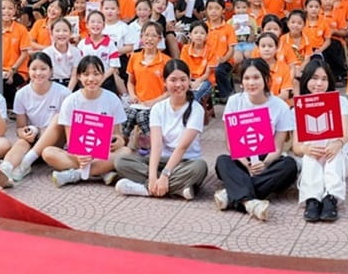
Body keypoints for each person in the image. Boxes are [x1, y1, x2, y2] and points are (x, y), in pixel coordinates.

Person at [214, 58, 299, 222]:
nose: (251, 83)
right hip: (241, 158)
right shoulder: (235, 101)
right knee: (222, 161)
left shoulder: (279, 106)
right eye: (246, 78)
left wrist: (265, 163)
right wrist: (246, 163)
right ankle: (250, 203)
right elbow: (231, 143)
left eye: (256, 77)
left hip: (266, 160)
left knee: (289, 166)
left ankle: (233, 194)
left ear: (266, 79)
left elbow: (277, 147)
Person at [113, 58, 209, 200]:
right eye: (173, 80)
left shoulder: (196, 109)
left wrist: (165, 175)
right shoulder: (158, 108)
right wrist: (152, 176)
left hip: (185, 162)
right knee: (121, 162)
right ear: (165, 82)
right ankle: (176, 188)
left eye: (183, 80)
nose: (178, 85)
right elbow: (156, 145)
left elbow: (182, 148)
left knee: (200, 167)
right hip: (161, 160)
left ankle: (145, 189)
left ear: (189, 81)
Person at [45, 56, 131, 186]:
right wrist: (80, 156)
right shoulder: (71, 101)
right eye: (86, 74)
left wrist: (118, 142)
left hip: (104, 154)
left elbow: (117, 135)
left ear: (103, 76)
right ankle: (102, 171)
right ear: (79, 76)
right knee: (48, 152)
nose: (91, 79)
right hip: (78, 155)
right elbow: (70, 140)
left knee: (126, 152)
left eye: (96, 74)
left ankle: (75, 175)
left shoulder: (112, 99)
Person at [0, 52, 72, 187]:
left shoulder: (64, 93)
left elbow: (67, 127)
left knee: (58, 118)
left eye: (43, 69)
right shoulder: (22, 94)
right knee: (21, 143)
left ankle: (25, 163)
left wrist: (41, 131)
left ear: (51, 71)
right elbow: (20, 127)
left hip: (54, 142)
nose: (38, 73)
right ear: (28, 71)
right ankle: (5, 168)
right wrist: (24, 133)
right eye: (34, 69)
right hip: (33, 138)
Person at [292, 59, 348, 222]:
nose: (319, 83)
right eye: (314, 78)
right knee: (310, 153)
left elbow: (345, 134)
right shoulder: (299, 107)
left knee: (334, 153)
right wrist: (306, 150)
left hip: (336, 158)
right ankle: (312, 200)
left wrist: (337, 144)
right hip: (313, 158)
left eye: (324, 79)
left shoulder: (341, 102)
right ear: (306, 80)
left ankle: (331, 198)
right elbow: (296, 146)